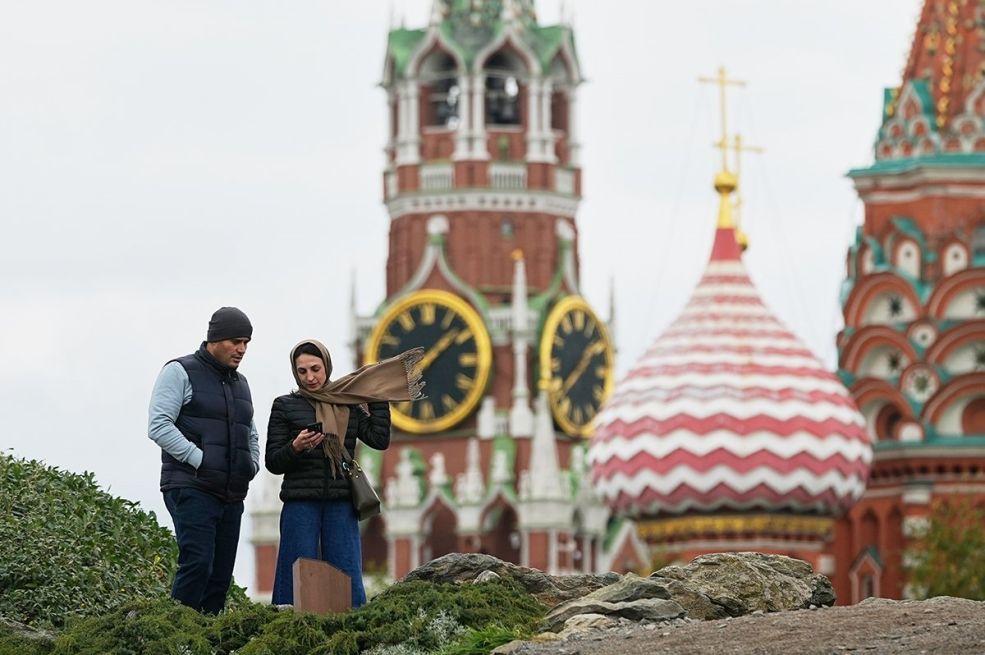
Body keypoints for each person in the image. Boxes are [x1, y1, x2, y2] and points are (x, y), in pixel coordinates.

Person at [265, 339, 424, 607]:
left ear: (326, 366)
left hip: (341, 501)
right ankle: (285, 625)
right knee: (294, 571)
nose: (310, 377)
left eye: (315, 369)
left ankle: (353, 627)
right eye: (302, 371)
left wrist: (377, 396)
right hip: (301, 502)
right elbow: (273, 462)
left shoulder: (347, 403)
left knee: (346, 571)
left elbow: (378, 439)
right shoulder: (285, 406)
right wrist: (296, 446)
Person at [148, 306, 260, 614]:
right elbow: (158, 425)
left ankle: (207, 636)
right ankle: (177, 634)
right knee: (197, 564)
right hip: (191, 486)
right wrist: (200, 460)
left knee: (220, 578)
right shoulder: (179, 371)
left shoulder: (241, 383)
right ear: (215, 339)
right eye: (236, 341)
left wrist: (251, 465)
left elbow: (250, 431)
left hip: (232, 493)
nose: (242, 349)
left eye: (246, 343)